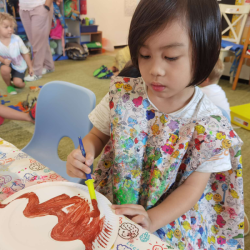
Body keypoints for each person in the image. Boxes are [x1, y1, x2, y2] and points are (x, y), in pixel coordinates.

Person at [66, 0, 245, 249]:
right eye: (145, 55)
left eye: (170, 57)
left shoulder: (209, 125)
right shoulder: (123, 94)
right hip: (116, 197)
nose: (155, 70)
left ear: (204, 52)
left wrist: (154, 218)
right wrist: (83, 153)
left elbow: (193, 188)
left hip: (169, 215)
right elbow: (97, 136)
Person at [19, 0, 54, 81]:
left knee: (38, 42)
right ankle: (49, 66)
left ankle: (36, 72)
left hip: (40, 6)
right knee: (37, 41)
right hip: (23, 8)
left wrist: (47, 5)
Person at [0, 13, 33, 95]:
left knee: (19, 84)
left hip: (19, 64)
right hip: (6, 63)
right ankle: (9, 85)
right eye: (6, 27)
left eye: (11, 27)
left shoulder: (17, 39)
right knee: (4, 69)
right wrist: (3, 60)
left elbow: (25, 53)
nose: (10, 29)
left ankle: (19, 80)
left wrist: (30, 67)